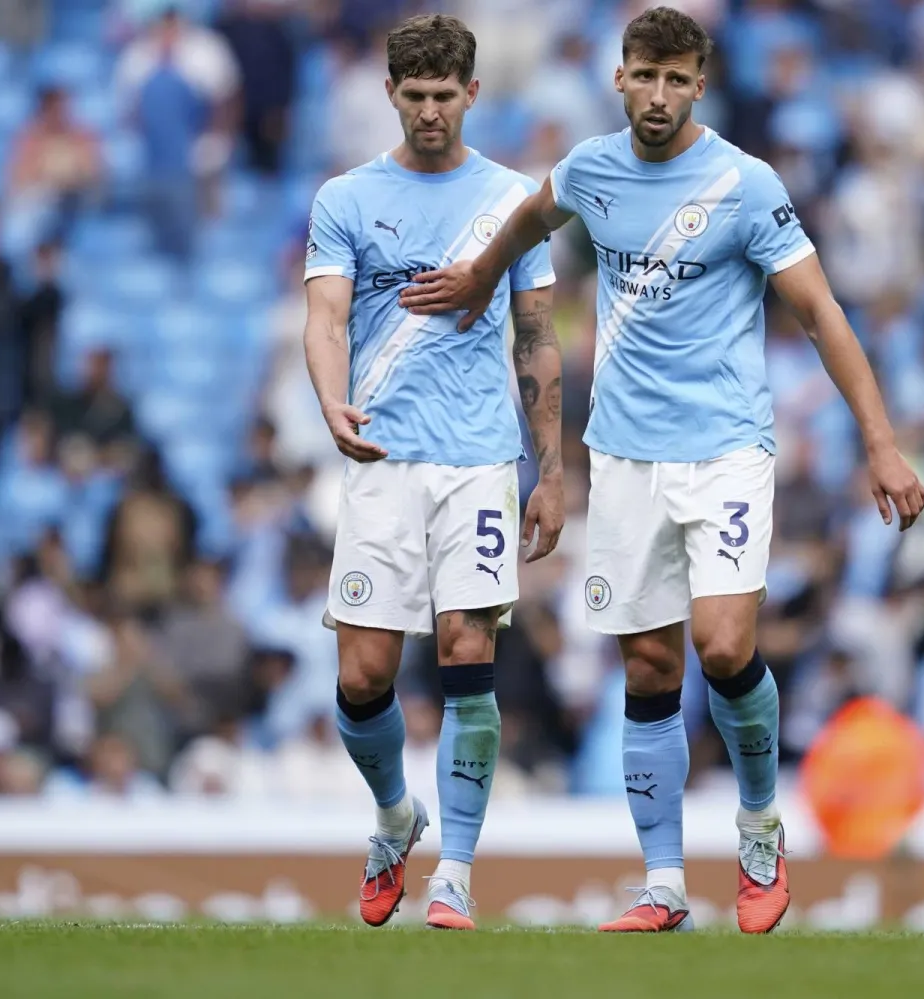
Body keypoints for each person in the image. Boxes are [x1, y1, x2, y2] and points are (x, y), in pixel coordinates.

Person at [398, 6, 924, 934]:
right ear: (621, 76)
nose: (658, 94)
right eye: (645, 75)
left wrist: (880, 440)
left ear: (699, 85)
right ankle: (666, 883)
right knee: (647, 663)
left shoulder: (744, 184)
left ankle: (760, 826)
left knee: (722, 646)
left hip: (724, 448)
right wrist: (482, 276)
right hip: (625, 453)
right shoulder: (593, 170)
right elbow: (531, 217)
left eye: (677, 79)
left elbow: (821, 313)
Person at [303, 14, 563, 931]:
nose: (428, 112)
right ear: (389, 95)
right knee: (365, 676)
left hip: (478, 461)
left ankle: (454, 869)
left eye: (444, 96)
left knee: (467, 650)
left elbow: (538, 335)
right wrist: (331, 400)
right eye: (413, 96)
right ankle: (393, 816)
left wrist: (553, 469)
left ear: (472, 95)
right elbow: (327, 318)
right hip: (381, 456)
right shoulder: (345, 197)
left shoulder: (513, 203)